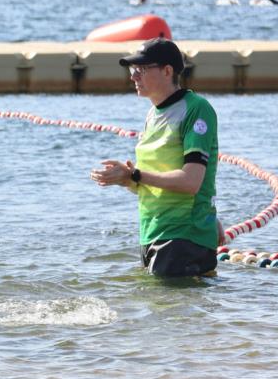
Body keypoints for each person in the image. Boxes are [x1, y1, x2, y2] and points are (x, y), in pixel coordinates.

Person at [90, 38, 221, 278]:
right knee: (157, 310)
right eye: (132, 70)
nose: (133, 77)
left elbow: (190, 182)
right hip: (153, 232)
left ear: (167, 71)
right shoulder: (153, 115)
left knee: (172, 311)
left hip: (183, 236)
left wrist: (135, 174)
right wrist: (125, 180)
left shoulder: (196, 108)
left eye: (141, 70)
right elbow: (153, 183)